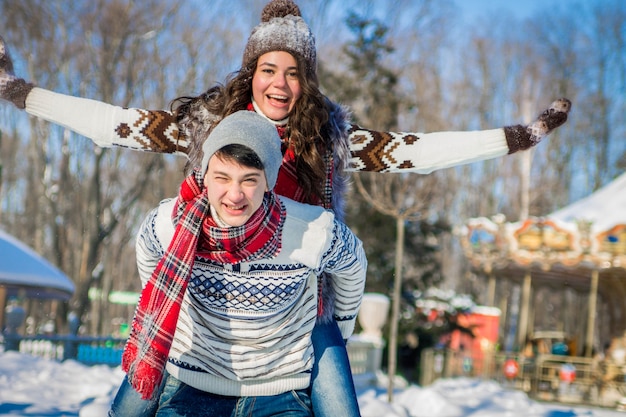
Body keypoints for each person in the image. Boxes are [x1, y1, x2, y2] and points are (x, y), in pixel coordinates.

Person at [0, 1, 572, 415]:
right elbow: (113, 124)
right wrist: (21, 92)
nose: (280, 83)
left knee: (338, 398)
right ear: (253, 74)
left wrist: (514, 137)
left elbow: (413, 152)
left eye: (293, 73)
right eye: (269, 69)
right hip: (211, 285)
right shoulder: (208, 127)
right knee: (144, 388)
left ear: (306, 81)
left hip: (298, 297)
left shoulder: (328, 138)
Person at [120, 110, 367, 416]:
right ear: (205, 175)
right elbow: (146, 249)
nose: (234, 195)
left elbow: (353, 262)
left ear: (268, 182)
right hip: (191, 384)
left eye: (249, 180)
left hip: (279, 391)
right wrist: (173, 302)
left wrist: (341, 324)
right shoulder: (170, 223)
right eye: (222, 177)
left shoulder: (309, 230)